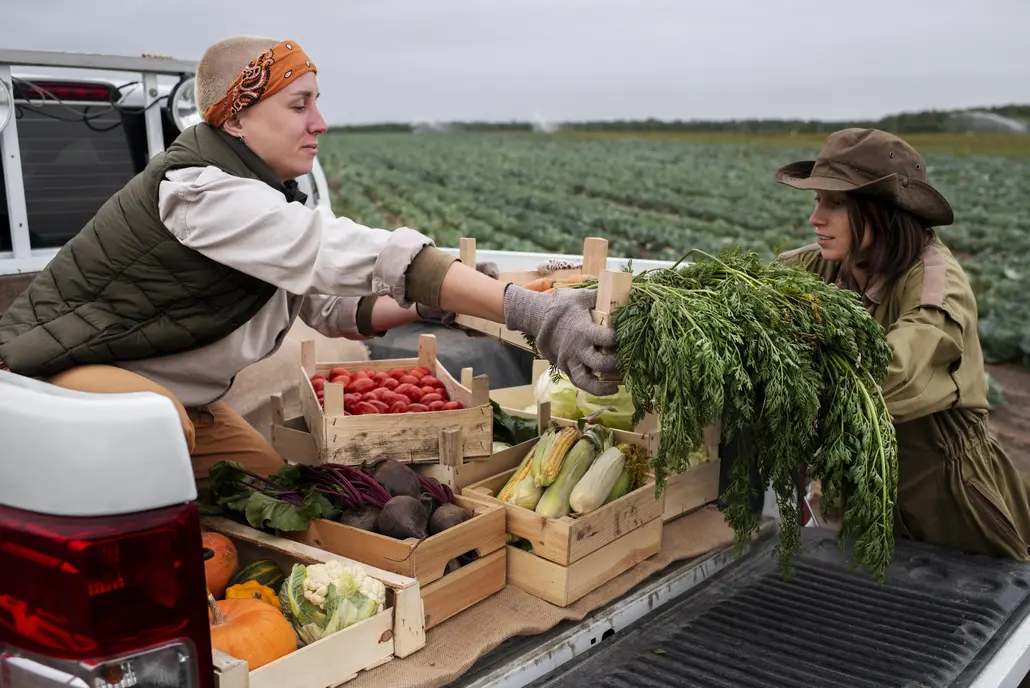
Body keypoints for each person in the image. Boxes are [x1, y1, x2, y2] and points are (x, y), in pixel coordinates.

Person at [0, 36, 619, 478]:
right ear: (237, 118)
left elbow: (326, 306)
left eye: (317, 102)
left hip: (181, 400)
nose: (320, 122)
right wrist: (532, 314)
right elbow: (338, 250)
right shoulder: (199, 194)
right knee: (156, 432)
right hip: (60, 384)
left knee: (274, 491)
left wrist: (433, 307)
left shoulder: (261, 194)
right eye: (299, 106)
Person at [774, 127, 1030, 561]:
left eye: (835, 203)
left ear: (882, 211)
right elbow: (751, 300)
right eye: (817, 200)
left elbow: (894, 371)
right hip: (858, 488)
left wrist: (783, 378)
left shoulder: (936, 285)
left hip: (947, 500)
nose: (816, 218)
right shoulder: (823, 265)